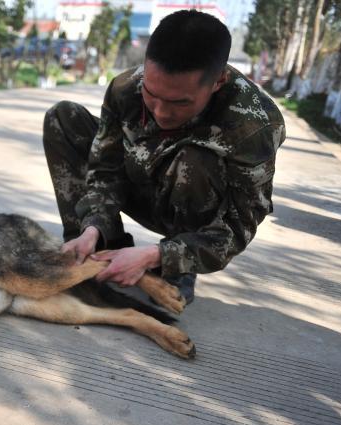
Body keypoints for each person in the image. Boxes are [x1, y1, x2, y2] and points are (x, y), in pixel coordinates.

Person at [43, 10, 285, 304]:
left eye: (179, 103)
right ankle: (94, 246)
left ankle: (175, 269)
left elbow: (238, 227)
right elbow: (105, 170)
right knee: (62, 117)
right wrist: (93, 224)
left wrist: (159, 255)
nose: (160, 112)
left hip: (190, 211)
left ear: (218, 81)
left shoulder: (253, 126)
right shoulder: (125, 89)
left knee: (195, 158)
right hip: (139, 181)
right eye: (151, 94)